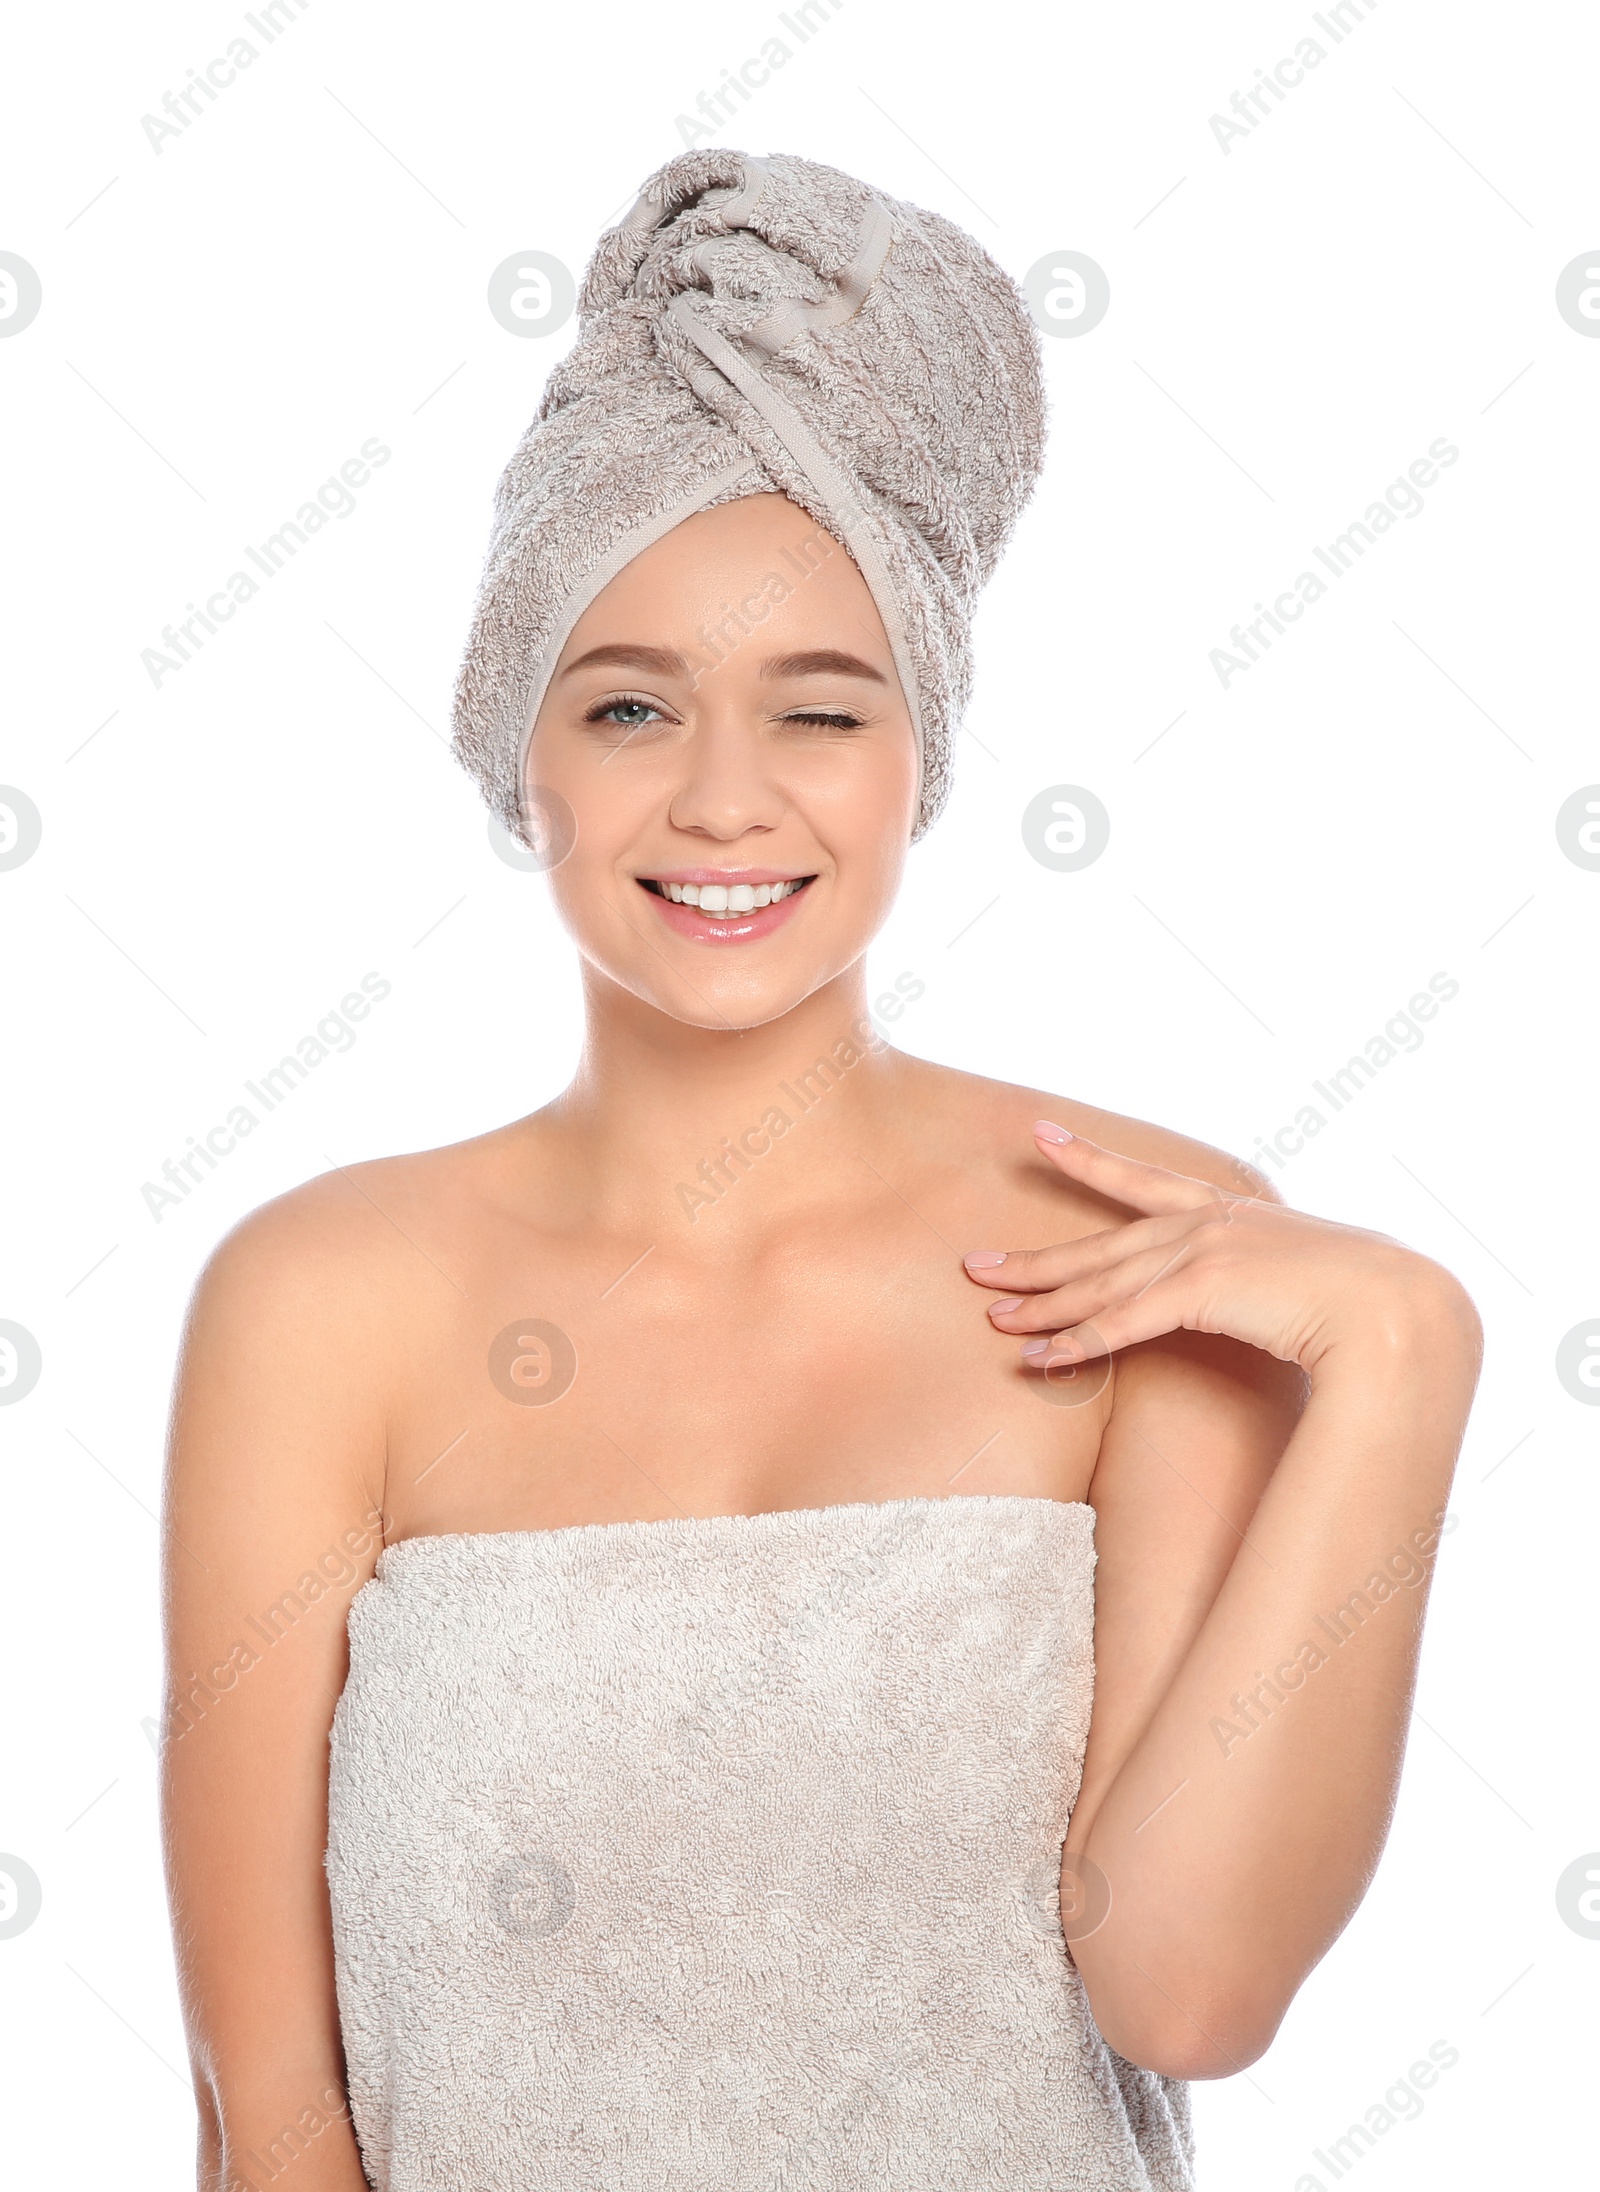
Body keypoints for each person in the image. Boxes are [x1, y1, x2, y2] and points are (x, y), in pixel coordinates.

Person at [161, 149, 1482, 2192]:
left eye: (818, 707)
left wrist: (1401, 1351)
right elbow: (273, 2121)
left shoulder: (1135, 1247)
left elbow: (1188, 1993)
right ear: (523, 745)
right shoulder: (322, 1302)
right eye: (626, 705)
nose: (719, 799)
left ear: (913, 760)